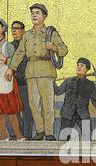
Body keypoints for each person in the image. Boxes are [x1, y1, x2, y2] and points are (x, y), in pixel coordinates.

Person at [7, 3, 68, 141]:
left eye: (37, 13)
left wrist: (54, 48)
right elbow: (20, 52)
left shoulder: (51, 33)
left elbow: (64, 49)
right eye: (32, 13)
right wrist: (11, 68)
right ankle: (40, 131)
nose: (34, 15)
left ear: (44, 16)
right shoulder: (27, 35)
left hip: (46, 70)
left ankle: (49, 132)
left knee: (47, 104)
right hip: (31, 72)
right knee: (34, 104)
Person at [54, 58, 96, 141]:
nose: (79, 67)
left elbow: (95, 100)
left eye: (82, 66)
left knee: (87, 138)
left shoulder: (90, 85)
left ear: (87, 69)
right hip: (67, 113)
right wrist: (52, 82)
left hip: (83, 114)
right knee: (63, 138)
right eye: (77, 65)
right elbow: (58, 92)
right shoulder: (68, 81)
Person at [10, 21, 34, 140]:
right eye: (12, 29)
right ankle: (18, 132)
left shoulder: (28, 45)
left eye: (17, 28)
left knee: (26, 109)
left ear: (23, 30)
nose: (14, 31)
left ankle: (27, 134)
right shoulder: (9, 46)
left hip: (25, 82)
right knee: (13, 108)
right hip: (11, 83)